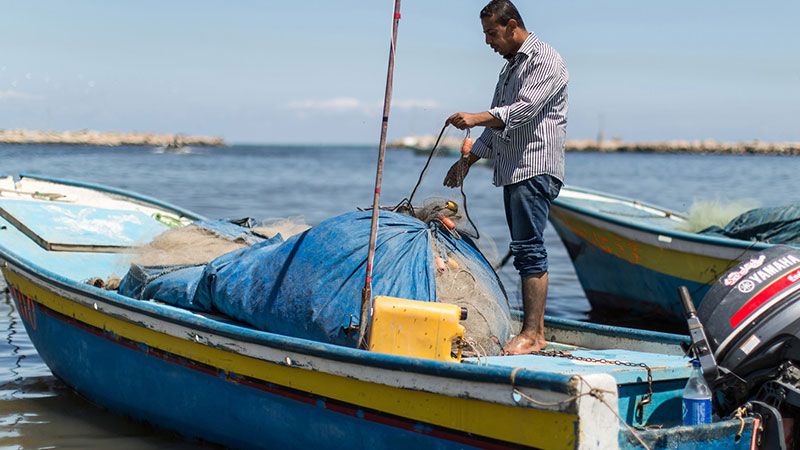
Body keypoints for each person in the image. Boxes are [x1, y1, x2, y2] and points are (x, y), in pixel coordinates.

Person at [443, 0, 568, 355]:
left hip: (535, 167)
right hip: (515, 169)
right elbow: (499, 127)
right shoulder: (510, 69)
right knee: (522, 247)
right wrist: (467, 163)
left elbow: (522, 112)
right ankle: (533, 330)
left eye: (492, 33)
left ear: (512, 25)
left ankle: (533, 335)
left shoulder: (545, 59)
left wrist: (475, 117)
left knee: (529, 249)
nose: (487, 42)